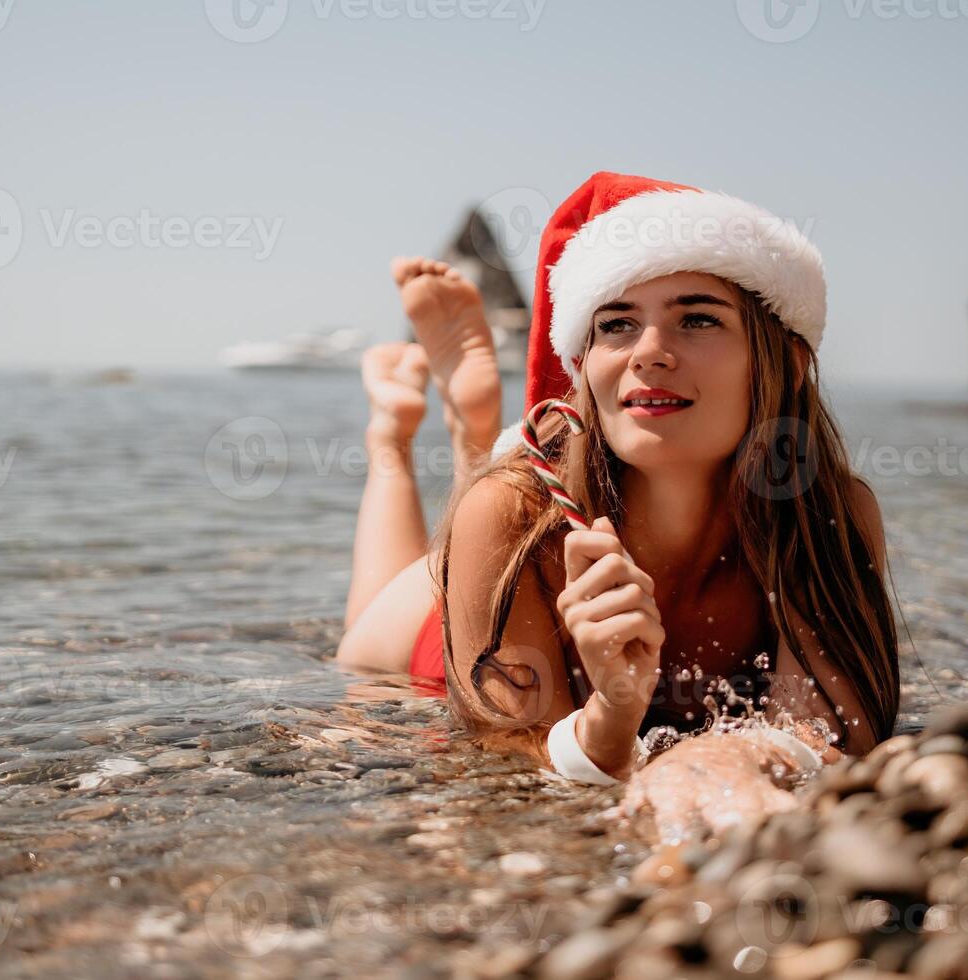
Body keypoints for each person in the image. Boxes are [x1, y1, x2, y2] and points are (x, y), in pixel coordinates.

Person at [338, 172, 901, 841]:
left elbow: (834, 724)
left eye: (697, 319)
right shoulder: (512, 518)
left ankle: (473, 431)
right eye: (617, 325)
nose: (650, 354)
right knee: (364, 655)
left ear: (785, 360)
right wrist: (610, 717)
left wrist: (730, 754)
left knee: (474, 523)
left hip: (522, 535)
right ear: (583, 366)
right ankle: (396, 437)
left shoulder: (824, 512)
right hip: (480, 600)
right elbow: (508, 755)